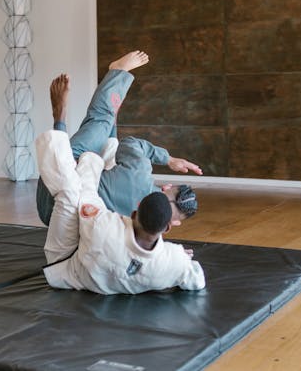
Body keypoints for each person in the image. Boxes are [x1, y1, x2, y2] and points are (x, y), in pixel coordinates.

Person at [35, 77, 206, 295]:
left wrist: (88, 159)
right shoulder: (172, 261)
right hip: (77, 248)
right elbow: (197, 279)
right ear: (168, 227)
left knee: (71, 191)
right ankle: (110, 120)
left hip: (64, 260)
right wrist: (177, 258)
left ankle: (65, 116)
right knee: (109, 150)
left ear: (133, 213)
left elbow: (83, 190)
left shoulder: (104, 226)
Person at [36, 51, 202, 227]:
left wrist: (168, 159)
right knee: (111, 150)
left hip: (55, 187)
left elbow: (130, 144)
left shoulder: (140, 173)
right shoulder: (148, 228)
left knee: (101, 119)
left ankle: (116, 73)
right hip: (51, 217)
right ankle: (113, 106)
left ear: (167, 187)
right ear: (173, 223)